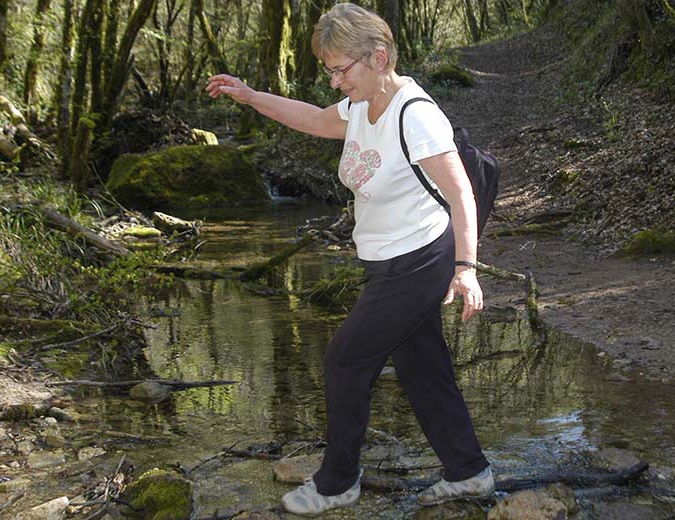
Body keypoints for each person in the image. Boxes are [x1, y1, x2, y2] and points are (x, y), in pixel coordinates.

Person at [206, 3, 493, 515]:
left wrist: (466, 269)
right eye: (331, 70)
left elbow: (462, 195)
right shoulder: (363, 106)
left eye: (343, 69)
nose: (336, 82)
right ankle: (470, 472)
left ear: (378, 57)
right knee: (421, 366)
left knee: (344, 360)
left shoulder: (416, 113)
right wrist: (249, 96)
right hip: (388, 260)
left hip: (420, 259)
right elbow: (313, 120)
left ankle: (338, 483)